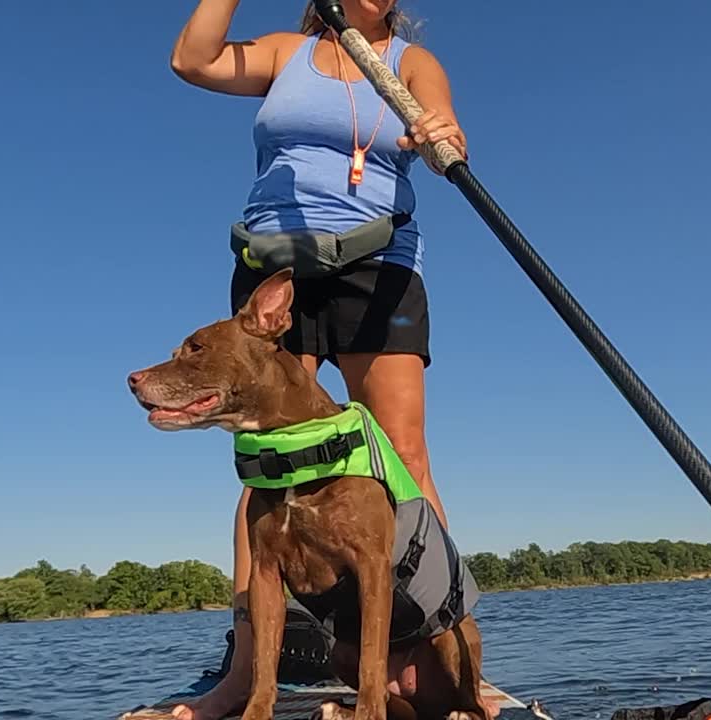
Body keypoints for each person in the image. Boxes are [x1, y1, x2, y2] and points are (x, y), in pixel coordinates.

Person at [166, 2, 468, 719]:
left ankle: (451, 663)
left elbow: (444, 127)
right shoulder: (283, 53)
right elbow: (193, 59)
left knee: (403, 454)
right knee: (268, 460)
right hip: (275, 270)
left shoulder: (410, 62)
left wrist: (440, 133)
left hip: (378, 263)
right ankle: (243, 682)